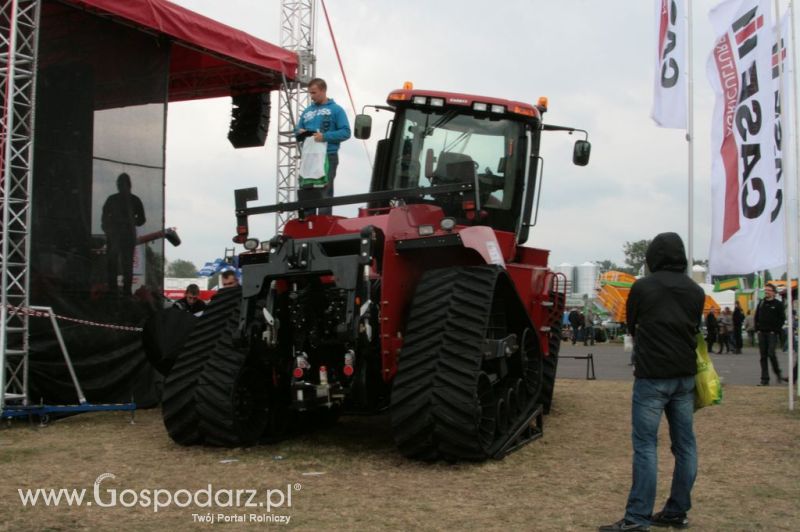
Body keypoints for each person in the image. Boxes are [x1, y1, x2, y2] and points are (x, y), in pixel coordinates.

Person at [600, 233, 704, 532]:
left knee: (646, 446)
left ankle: (637, 517)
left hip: (652, 375)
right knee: (685, 445)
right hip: (684, 376)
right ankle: (677, 510)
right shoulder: (695, 291)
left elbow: (631, 325)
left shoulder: (643, 287)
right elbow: (695, 328)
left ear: (654, 257)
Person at [295, 78, 351, 216]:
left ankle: (323, 222)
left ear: (323, 90)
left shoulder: (336, 110)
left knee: (324, 190)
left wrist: (325, 136)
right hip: (309, 156)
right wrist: (299, 132)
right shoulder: (307, 111)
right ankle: (308, 222)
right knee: (307, 188)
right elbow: (297, 130)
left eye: (314, 92)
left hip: (327, 155)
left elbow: (346, 132)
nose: (311, 96)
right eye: (310, 93)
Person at [101, 172, 146, 296]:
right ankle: (118, 291)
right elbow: (104, 220)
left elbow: (141, 220)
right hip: (118, 236)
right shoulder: (131, 200)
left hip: (123, 236)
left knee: (122, 264)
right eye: (120, 184)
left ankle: (121, 291)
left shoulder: (116, 200)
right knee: (118, 264)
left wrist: (128, 222)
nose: (121, 187)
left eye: (122, 184)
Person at [754, 283, 788, 386]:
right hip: (762, 333)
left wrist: (775, 330)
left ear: (773, 292)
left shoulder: (778, 304)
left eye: (769, 290)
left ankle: (777, 372)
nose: (767, 292)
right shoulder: (761, 303)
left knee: (771, 354)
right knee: (763, 356)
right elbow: (756, 317)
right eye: (766, 290)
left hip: (772, 333)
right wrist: (758, 329)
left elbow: (782, 319)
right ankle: (764, 379)